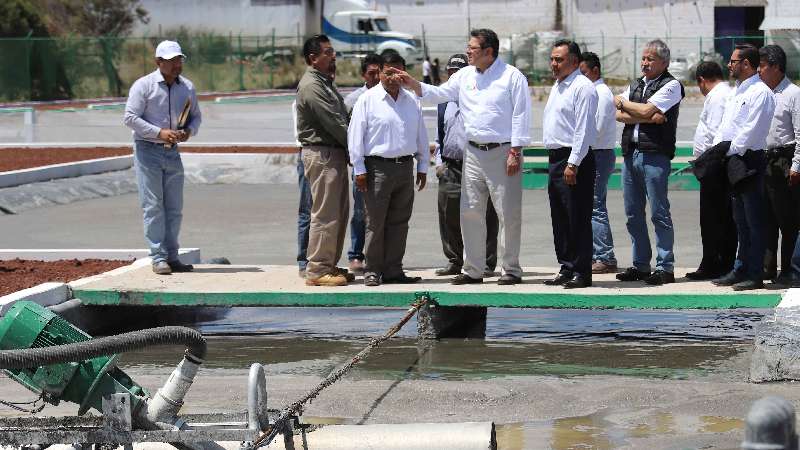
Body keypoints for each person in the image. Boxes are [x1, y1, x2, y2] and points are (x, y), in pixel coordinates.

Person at [389, 28, 532, 285]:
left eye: (472, 48)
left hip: (503, 152)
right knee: (470, 211)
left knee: (508, 214)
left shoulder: (512, 77)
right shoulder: (464, 76)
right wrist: (412, 83)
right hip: (473, 153)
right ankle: (473, 270)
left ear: (488, 51)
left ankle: (510, 269)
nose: (468, 52)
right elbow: (439, 94)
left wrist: (515, 151)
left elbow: (521, 115)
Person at [347, 52, 430, 286]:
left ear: (405, 72)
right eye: (388, 72)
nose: (393, 77)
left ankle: (394, 269)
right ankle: (373, 269)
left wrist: (423, 165)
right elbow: (355, 137)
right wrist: (359, 170)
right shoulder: (368, 99)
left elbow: (420, 134)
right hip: (376, 169)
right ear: (380, 73)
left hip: (405, 167)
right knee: (375, 222)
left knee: (400, 222)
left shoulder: (412, 100)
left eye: (398, 71)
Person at [123, 40, 201, 275]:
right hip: (148, 149)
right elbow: (129, 117)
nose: (177, 65)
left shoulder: (187, 87)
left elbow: (196, 117)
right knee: (153, 205)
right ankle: (158, 257)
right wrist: (159, 133)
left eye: (179, 60)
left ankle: (173, 256)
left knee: (174, 207)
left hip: (172, 151)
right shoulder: (143, 86)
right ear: (159, 62)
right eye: (171, 61)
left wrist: (188, 132)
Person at [614, 39, 685, 286]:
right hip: (630, 153)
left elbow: (638, 112)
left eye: (650, 59)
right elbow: (618, 112)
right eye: (643, 59)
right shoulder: (637, 84)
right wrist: (642, 112)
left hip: (655, 154)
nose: (644, 63)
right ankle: (640, 265)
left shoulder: (672, 85)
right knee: (632, 214)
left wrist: (634, 109)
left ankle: (665, 267)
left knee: (659, 213)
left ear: (664, 63)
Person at [711, 43, 776, 291]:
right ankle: (740, 268)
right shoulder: (739, 91)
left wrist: (726, 151)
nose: (729, 65)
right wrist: (717, 151)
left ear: (746, 64)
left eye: (733, 61)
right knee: (740, 220)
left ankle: (755, 273)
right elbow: (727, 126)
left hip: (749, 160)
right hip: (734, 159)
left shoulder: (761, 93)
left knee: (754, 221)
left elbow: (750, 132)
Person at [433, 53, 499, 277]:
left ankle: (487, 262)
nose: (454, 76)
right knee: (448, 213)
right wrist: (439, 162)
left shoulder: (482, 97)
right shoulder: (444, 102)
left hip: (479, 162)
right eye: (451, 72)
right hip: (452, 166)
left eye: (459, 72)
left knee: (485, 214)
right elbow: (440, 136)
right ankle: (454, 259)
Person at [295, 34, 353, 287]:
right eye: (328, 53)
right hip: (322, 153)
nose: (333, 56)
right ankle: (317, 269)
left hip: (333, 153)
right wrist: (359, 147)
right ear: (313, 58)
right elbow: (334, 122)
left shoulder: (325, 82)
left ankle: (328, 264)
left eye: (333, 52)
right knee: (325, 214)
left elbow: (343, 114)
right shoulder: (312, 85)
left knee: (338, 213)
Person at [542, 40, 598, 289]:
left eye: (559, 59)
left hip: (574, 159)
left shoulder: (582, 87)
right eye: (552, 59)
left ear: (574, 62)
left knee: (577, 216)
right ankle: (566, 266)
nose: (553, 64)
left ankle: (582, 271)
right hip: (556, 158)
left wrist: (573, 163)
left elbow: (583, 130)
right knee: (560, 217)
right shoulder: (559, 85)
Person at [686, 61, 736, 280]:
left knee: (712, 218)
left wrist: (704, 162)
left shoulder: (716, 97)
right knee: (723, 217)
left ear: (701, 81)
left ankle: (712, 264)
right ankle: (722, 262)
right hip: (718, 162)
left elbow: (716, 133)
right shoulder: (727, 92)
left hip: (714, 163)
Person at [758, 45, 800, 285]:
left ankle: (790, 270)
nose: (759, 71)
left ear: (775, 67)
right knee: (766, 219)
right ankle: (767, 268)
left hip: (785, 160)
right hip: (764, 161)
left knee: (788, 220)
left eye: (762, 66)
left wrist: (796, 166)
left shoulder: (793, 94)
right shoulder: (763, 93)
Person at [342, 53, 383, 274]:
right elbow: (348, 132)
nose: (376, 77)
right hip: (362, 163)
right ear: (362, 75)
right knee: (360, 210)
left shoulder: (391, 95)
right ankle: (356, 254)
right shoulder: (352, 100)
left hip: (384, 162)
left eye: (379, 72)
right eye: (371, 73)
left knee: (382, 213)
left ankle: (378, 256)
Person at [579, 51, 618, 275]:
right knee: (592, 205)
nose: (582, 77)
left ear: (595, 71)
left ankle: (604, 256)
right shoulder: (594, 91)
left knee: (596, 206)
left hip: (598, 154)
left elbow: (597, 127)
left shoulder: (601, 93)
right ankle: (598, 254)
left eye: (584, 73)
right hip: (595, 153)